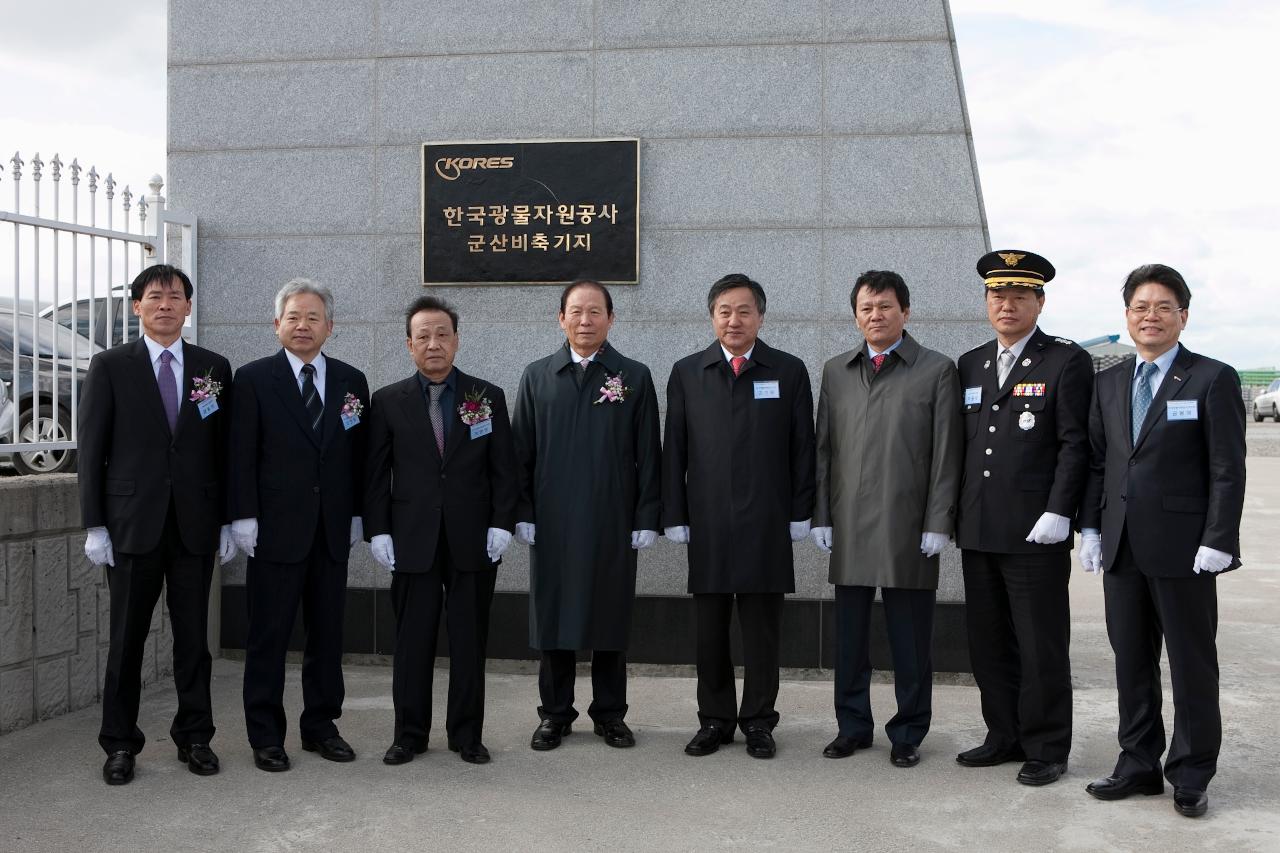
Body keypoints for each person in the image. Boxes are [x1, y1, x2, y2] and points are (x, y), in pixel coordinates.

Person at [1079, 263, 1245, 819]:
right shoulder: (1108, 382)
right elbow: (1100, 462)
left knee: (1191, 663)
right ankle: (1138, 763)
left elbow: (1227, 468)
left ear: (1183, 316)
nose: (1150, 317)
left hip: (1187, 550)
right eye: (1139, 308)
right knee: (1131, 660)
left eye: (1162, 307)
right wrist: (1092, 528)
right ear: (1127, 317)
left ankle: (1192, 771)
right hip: (1123, 548)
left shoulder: (1211, 378)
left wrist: (1218, 539)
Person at [78, 263, 236, 785]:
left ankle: (195, 737)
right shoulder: (110, 366)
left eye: (174, 296)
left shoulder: (213, 367)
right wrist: (94, 525)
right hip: (131, 526)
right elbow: (92, 451)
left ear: (188, 308)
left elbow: (223, 451)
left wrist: (230, 521)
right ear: (137, 307)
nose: (165, 305)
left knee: (194, 639)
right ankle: (120, 743)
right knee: (127, 639)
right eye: (154, 296)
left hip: (194, 526)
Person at [953, 250, 1094, 786]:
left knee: (1041, 645)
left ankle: (1047, 746)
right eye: (997, 294)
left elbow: (1074, 443)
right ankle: (1003, 734)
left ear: (1039, 301)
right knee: (988, 642)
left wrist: (1061, 510)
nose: (1006, 304)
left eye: (1018, 295)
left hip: (1037, 533)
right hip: (980, 528)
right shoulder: (971, 363)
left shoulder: (1065, 361)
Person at [811, 270, 961, 768]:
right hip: (849, 523)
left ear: (906, 312)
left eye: (886, 307)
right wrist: (821, 516)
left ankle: (908, 732)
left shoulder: (936, 370)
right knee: (849, 638)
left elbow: (946, 454)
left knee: (909, 638)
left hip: (908, 526)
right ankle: (852, 726)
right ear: (856, 315)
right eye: (866, 308)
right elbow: (824, 451)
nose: (876, 316)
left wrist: (939, 520)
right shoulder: (835, 371)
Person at [662, 273, 815, 759]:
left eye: (744, 310)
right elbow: (675, 451)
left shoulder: (788, 371)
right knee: (709, 631)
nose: (734, 320)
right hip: (707, 522)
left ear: (761, 317)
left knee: (762, 631)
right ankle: (714, 720)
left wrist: (800, 511)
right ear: (712, 317)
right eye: (725, 311)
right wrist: (675, 512)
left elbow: (803, 450)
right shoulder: (688, 372)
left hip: (767, 522)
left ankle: (758, 721)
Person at [364, 295, 517, 766]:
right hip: (412, 539)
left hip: (473, 538)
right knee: (413, 641)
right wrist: (378, 531)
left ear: (456, 340)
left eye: (442, 334)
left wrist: (502, 523)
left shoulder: (485, 396)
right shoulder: (388, 401)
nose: (434, 344)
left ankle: (467, 735)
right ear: (409, 344)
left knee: (470, 640)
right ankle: (409, 735)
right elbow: (374, 473)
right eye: (423, 336)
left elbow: (503, 470)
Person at [511, 279, 661, 751]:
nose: (584, 320)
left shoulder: (632, 376)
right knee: (553, 619)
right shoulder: (538, 376)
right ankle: (555, 714)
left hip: (611, 520)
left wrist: (646, 516)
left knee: (610, 618)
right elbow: (520, 454)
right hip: (552, 523)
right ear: (560, 318)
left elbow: (648, 456)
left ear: (611, 319)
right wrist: (523, 512)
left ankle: (610, 714)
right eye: (575, 311)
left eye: (595, 311)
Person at [228, 278, 370, 772]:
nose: (303, 325)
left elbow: (358, 458)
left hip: (331, 531)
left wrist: (358, 515)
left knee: (327, 635)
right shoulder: (252, 379)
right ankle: (265, 735)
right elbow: (240, 454)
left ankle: (320, 726)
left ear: (330, 326)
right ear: (276, 324)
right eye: (294, 317)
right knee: (268, 636)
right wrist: (242, 516)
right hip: (273, 530)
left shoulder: (352, 380)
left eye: (313, 318)